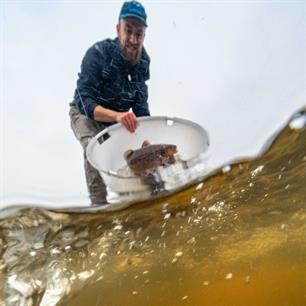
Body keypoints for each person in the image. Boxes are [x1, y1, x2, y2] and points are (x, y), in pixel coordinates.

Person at [69, 1, 150, 205]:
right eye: (128, 31)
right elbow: (84, 100)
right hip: (86, 114)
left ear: (144, 35)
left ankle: (151, 192)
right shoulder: (97, 53)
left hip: (119, 119)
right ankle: (98, 205)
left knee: (142, 149)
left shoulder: (143, 62)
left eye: (138, 34)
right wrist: (116, 116)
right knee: (94, 148)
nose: (133, 39)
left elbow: (141, 109)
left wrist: (149, 145)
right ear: (118, 29)